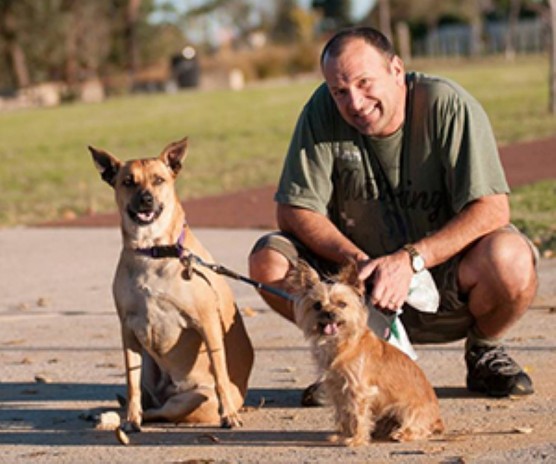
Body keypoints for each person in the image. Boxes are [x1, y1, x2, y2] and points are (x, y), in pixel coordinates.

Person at [248, 26, 538, 404]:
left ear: (396, 70)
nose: (354, 101)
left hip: (446, 282)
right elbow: (294, 208)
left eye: (364, 82)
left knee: (511, 259)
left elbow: (493, 208)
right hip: (359, 286)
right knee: (268, 261)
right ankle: (347, 361)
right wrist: (359, 265)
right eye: (340, 91)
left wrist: (411, 261)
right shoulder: (321, 111)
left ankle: (484, 351)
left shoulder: (447, 105)